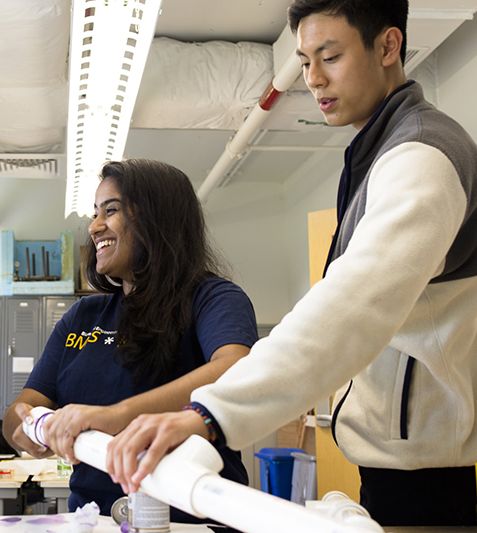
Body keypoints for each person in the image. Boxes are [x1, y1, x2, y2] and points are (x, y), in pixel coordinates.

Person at [104, 0, 477, 527]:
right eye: (304, 61)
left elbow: (352, 305)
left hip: (434, 477)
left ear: (389, 46)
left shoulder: (422, 154)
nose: (313, 80)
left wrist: (210, 414)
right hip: (396, 465)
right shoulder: (377, 151)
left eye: (330, 56)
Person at [2, 158, 259, 522]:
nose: (94, 226)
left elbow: (233, 369)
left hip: (189, 523)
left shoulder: (212, 298)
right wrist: (28, 428)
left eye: (111, 210)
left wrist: (116, 417)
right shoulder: (82, 318)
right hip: (95, 520)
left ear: (157, 218)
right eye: (95, 212)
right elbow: (20, 409)